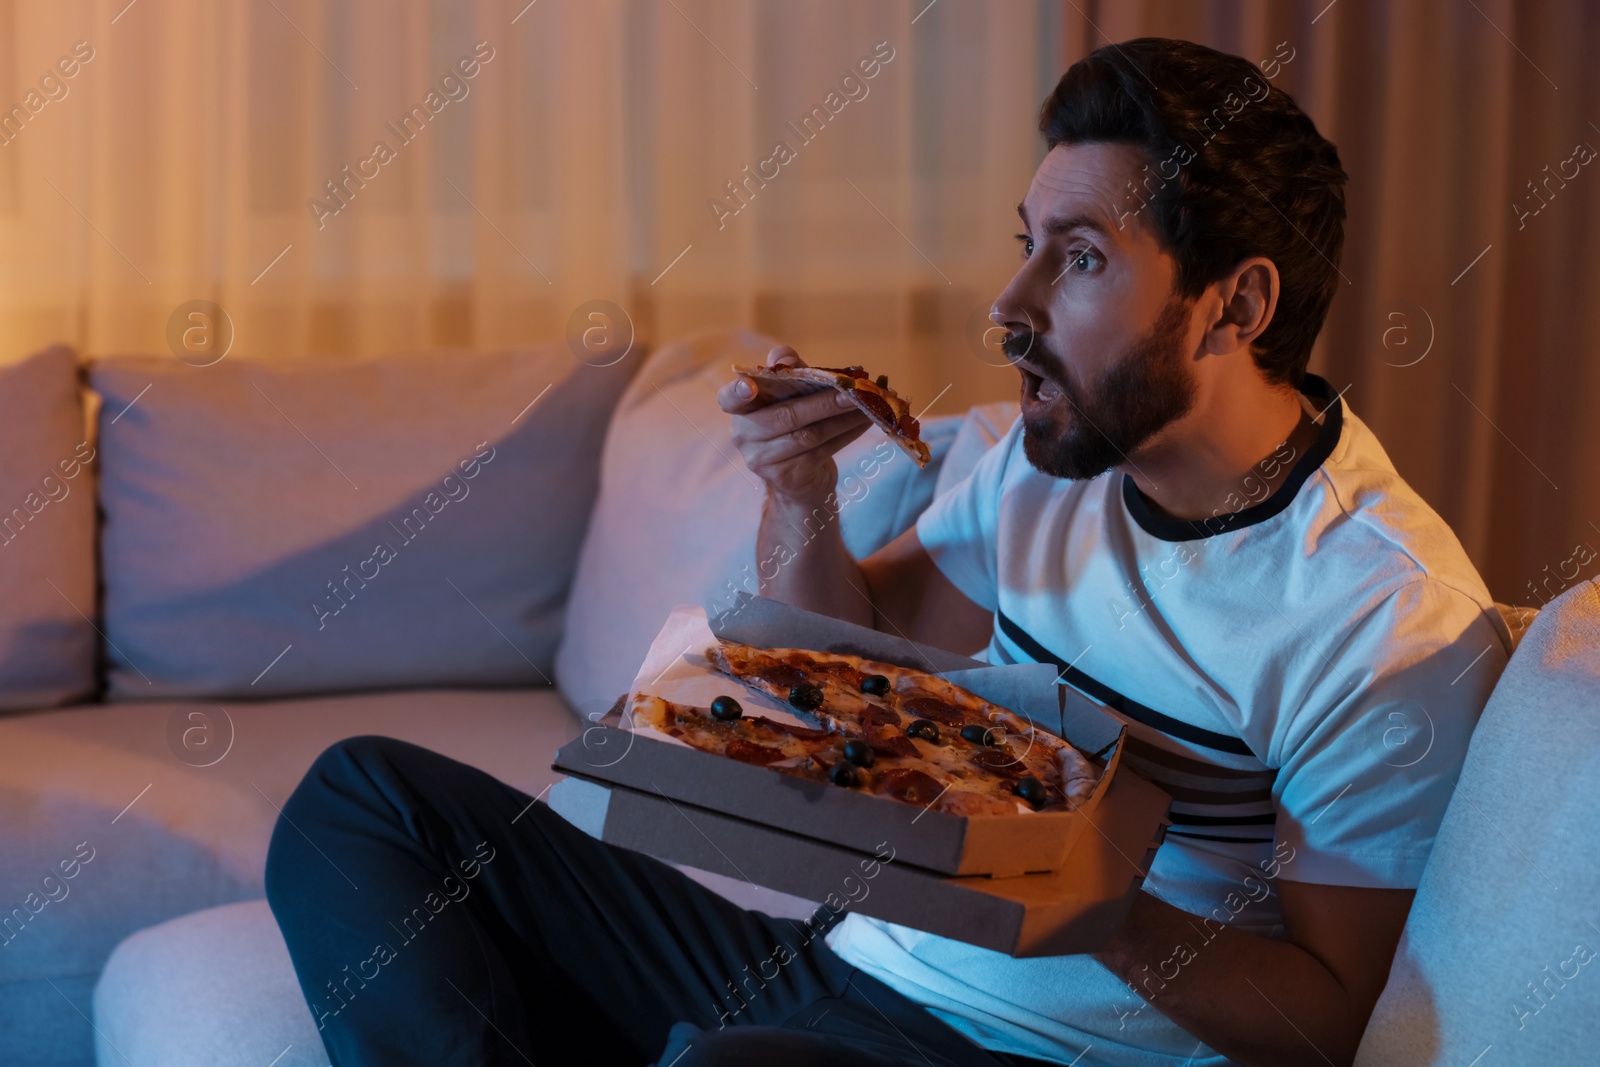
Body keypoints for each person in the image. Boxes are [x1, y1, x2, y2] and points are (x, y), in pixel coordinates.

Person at [266, 37, 1511, 1067]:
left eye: (1078, 259)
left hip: (1018, 1049)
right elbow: (843, 646)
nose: (1008, 307)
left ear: (1236, 305)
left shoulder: (1381, 614)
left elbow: (1329, 1013)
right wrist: (800, 488)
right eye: (1024, 241)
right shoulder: (1047, 460)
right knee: (362, 802)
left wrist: (1101, 909)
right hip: (827, 957)